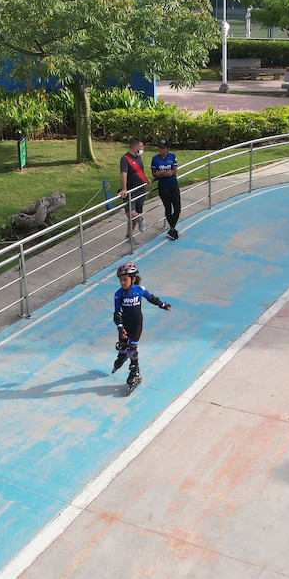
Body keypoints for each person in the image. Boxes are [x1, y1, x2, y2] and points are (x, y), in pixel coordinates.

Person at [111, 262, 171, 393]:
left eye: (125, 280)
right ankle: (122, 355)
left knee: (132, 350)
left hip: (136, 324)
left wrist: (164, 305)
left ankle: (135, 373)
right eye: (120, 280)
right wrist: (120, 327)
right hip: (125, 324)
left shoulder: (140, 290)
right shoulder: (118, 294)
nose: (122, 283)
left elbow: (152, 299)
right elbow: (117, 313)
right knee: (122, 346)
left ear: (133, 279)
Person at [150, 139, 181, 240]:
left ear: (167, 149)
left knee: (177, 208)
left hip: (173, 185)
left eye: (163, 148)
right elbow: (154, 173)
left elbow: (173, 171)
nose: (160, 150)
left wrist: (161, 173)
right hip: (163, 188)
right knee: (168, 208)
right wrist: (163, 174)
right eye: (159, 147)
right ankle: (172, 229)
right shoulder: (155, 159)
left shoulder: (172, 156)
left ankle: (172, 229)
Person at [119, 137, 148, 238]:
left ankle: (129, 235)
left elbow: (140, 171)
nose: (143, 148)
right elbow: (124, 174)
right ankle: (141, 219)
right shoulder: (125, 159)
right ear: (135, 147)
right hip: (131, 192)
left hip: (141, 190)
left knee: (137, 212)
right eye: (141, 146)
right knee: (131, 214)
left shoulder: (138, 157)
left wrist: (146, 179)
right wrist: (124, 189)